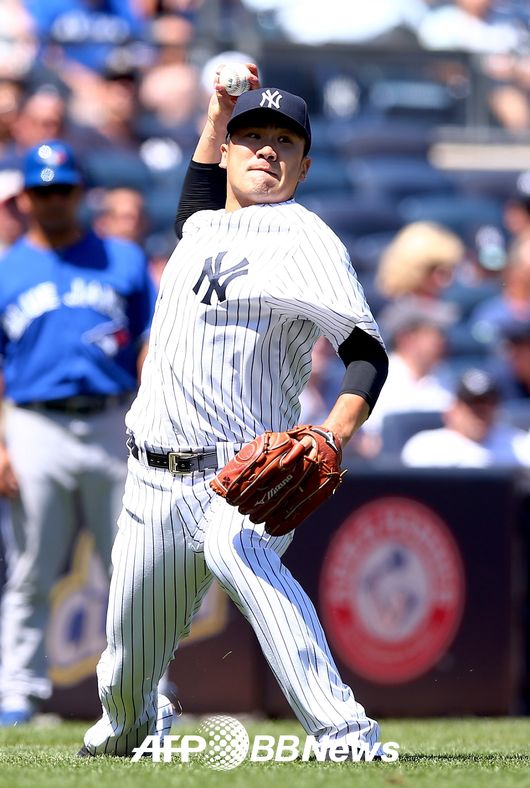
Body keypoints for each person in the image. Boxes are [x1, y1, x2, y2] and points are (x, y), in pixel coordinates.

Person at [80, 70, 389, 757]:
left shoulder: (303, 237)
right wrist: (217, 112)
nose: (267, 149)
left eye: (285, 141)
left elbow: (366, 353)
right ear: (227, 151)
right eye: (252, 137)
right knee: (127, 674)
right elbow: (195, 201)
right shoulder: (202, 226)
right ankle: (135, 725)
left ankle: (344, 732)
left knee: (236, 551)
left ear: (304, 166)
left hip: (242, 474)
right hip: (153, 481)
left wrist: (333, 434)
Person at [0, 139, 156, 725]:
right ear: (25, 198)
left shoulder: (122, 259)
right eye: (42, 191)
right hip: (34, 422)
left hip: (113, 419)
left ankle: (145, 688)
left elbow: (151, 343)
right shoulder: (6, 268)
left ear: (80, 193)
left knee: (133, 568)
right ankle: (17, 689)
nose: (53, 200)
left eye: (63, 189)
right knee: (32, 566)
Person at [401, 368, 530, 467]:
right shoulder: (425, 447)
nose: (480, 412)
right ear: (453, 409)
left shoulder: (519, 446)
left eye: (487, 404)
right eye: (472, 405)